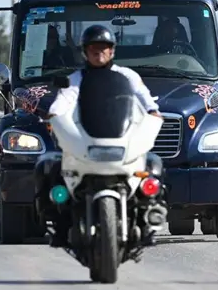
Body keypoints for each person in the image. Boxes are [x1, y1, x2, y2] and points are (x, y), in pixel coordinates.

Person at [45, 24, 162, 246]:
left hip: (120, 141)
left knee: (155, 167)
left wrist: (153, 112)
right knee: (48, 170)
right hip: (87, 141)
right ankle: (57, 225)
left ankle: (150, 222)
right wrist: (54, 114)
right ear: (85, 52)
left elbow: (144, 97)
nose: (99, 53)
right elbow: (64, 100)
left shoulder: (127, 76)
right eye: (93, 49)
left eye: (104, 48)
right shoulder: (76, 79)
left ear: (112, 51)